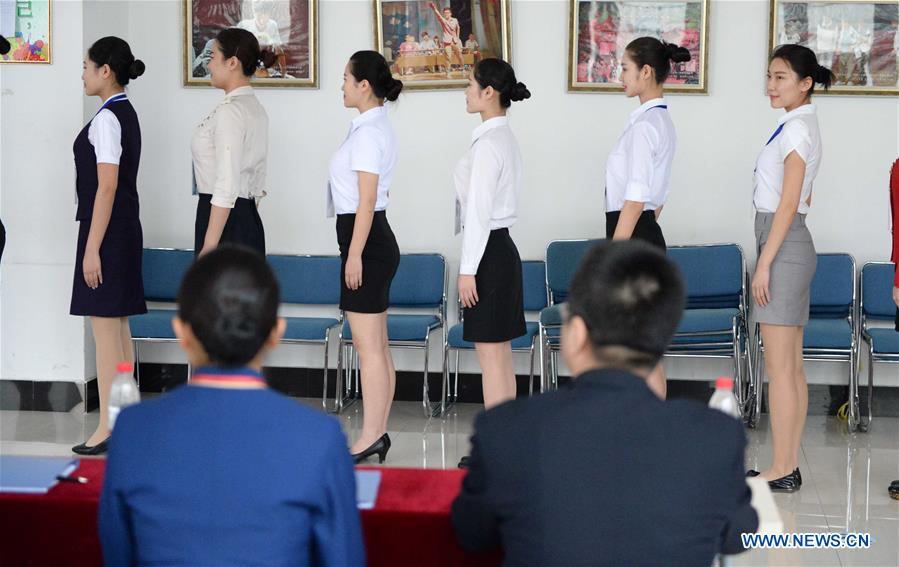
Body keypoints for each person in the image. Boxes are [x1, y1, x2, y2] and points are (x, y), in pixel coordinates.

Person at [451, 240, 759, 565]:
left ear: (578, 334)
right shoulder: (715, 437)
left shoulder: (505, 430)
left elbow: (472, 533)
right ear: (663, 336)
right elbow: (739, 533)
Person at [99, 246, 365, 565]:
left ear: (182, 332)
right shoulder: (320, 437)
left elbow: (117, 554)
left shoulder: (132, 430)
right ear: (276, 333)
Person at [746, 44, 833, 492]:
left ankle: (781, 469)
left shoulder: (797, 129)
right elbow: (802, 197)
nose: (771, 85)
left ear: (806, 83)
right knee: (790, 367)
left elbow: (788, 202)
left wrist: (765, 262)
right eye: (769, 76)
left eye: (781, 77)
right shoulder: (800, 124)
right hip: (788, 241)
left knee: (780, 368)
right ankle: (786, 464)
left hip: (781, 245)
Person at [70, 37, 147, 455]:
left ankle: (106, 427)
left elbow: (107, 186)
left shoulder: (106, 119)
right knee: (118, 332)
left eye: (86, 65)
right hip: (121, 230)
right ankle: (124, 418)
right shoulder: (123, 112)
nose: (82, 73)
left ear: (105, 71)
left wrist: (92, 247)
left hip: (107, 233)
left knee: (106, 334)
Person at [603, 36, 690, 399]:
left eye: (625, 68)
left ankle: (647, 437)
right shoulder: (659, 121)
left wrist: (613, 254)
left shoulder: (644, 126)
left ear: (647, 71)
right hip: (645, 235)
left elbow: (636, 199)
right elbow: (657, 201)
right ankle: (649, 435)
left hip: (634, 237)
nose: (619, 75)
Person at [454, 59, 530, 469]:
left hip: (487, 254)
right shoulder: (503, 137)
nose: (465, 92)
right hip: (501, 251)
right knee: (500, 359)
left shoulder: (488, 144)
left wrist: (468, 269)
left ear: (489, 92)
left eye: (470, 85)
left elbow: (478, 213)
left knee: (491, 360)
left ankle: (493, 451)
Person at [328, 51, 403, 463]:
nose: (341, 85)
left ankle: (372, 434)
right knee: (377, 346)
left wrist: (354, 254)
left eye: (345, 78)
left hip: (367, 242)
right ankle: (378, 431)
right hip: (366, 240)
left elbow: (367, 199)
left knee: (370, 348)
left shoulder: (370, 132)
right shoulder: (368, 127)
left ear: (364, 86)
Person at [192, 28, 271, 257]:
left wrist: (209, 246)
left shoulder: (231, 111)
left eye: (213, 57)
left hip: (223, 223)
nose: (209, 66)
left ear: (232, 62)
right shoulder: (254, 108)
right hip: (245, 219)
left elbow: (227, 184)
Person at [429, 3, 464, 77]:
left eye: (447, 12)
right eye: (445, 13)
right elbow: (438, 15)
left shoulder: (455, 20)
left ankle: (462, 68)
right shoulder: (443, 20)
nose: (446, 14)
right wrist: (434, 8)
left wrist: (457, 37)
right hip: (447, 41)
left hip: (454, 41)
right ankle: (448, 72)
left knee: (460, 55)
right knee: (448, 56)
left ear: (450, 13)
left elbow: (458, 28)